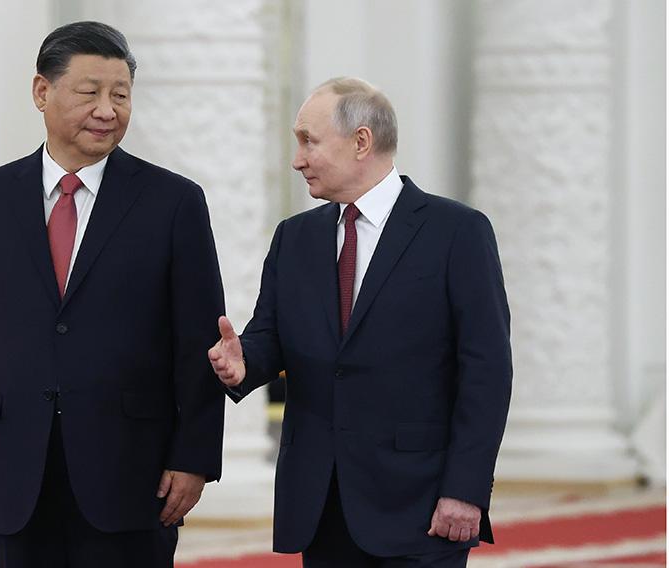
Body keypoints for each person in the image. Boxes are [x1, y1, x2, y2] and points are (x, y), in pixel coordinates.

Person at [0, 21, 226, 568]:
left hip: (133, 472)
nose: (107, 109)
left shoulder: (174, 203)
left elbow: (200, 341)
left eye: (120, 95)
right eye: (89, 92)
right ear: (42, 92)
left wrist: (193, 457)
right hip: (15, 468)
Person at [208, 77, 512, 567]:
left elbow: (487, 371)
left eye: (308, 140)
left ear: (361, 141)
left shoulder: (457, 232)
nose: (297, 158)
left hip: (421, 505)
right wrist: (242, 362)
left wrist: (466, 490)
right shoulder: (295, 238)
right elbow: (270, 337)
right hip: (322, 504)